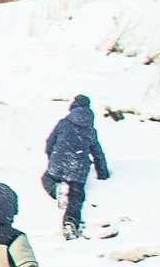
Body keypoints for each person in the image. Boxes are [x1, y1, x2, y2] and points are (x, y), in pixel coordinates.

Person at [41, 94, 111, 237]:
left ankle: (56, 190)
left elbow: (49, 143)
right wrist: (103, 174)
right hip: (78, 167)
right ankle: (70, 222)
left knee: (47, 178)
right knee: (76, 195)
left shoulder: (63, 123)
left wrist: (51, 157)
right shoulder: (90, 130)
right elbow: (98, 153)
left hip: (58, 163)